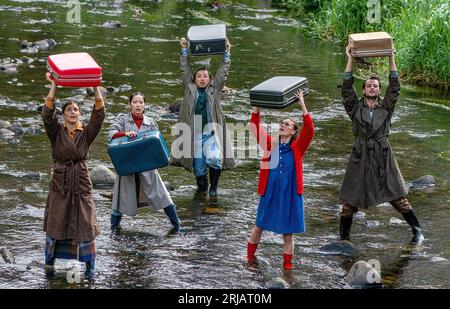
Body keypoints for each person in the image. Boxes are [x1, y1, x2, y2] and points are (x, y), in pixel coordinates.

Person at [338, 44, 424, 243]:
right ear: (364, 89)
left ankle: (417, 231)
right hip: (360, 155)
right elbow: (345, 88)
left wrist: (391, 57)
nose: (372, 87)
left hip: (382, 154)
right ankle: (343, 238)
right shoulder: (354, 108)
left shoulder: (386, 107)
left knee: (397, 197)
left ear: (378, 90)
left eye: (376, 85)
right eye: (369, 85)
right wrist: (350, 58)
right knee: (349, 202)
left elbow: (395, 87)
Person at [42, 72, 105, 277]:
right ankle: (49, 263)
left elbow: (99, 114)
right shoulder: (56, 132)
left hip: (81, 183)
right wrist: (54, 85)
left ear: (79, 114)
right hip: (60, 182)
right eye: (69, 109)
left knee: (85, 222)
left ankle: (90, 267)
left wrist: (95, 86)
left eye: (76, 109)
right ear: (63, 114)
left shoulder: (86, 133)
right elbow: (46, 115)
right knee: (56, 221)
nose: (72, 112)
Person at [247, 90, 314, 270]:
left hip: (291, 192)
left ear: (293, 131)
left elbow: (310, 130)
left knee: (288, 234)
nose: (282, 125)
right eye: (281, 123)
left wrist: (302, 105)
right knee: (258, 226)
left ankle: (287, 268)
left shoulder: (298, 147)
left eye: (287, 124)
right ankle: (249, 260)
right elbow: (254, 125)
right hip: (270, 191)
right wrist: (257, 107)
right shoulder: (270, 144)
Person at [169, 37, 235, 198]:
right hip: (194, 133)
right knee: (198, 168)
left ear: (210, 78)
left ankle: (214, 188)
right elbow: (184, 69)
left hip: (211, 132)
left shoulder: (215, 88)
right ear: (194, 79)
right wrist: (184, 50)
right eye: (199, 76)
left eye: (205, 76)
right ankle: (202, 191)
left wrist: (227, 53)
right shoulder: (189, 87)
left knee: (213, 160)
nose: (202, 78)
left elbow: (223, 72)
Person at [108, 92, 183, 233]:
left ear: (144, 105)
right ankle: (114, 229)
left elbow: (156, 145)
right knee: (119, 199)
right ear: (129, 104)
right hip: (127, 165)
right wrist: (124, 134)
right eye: (135, 102)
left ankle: (177, 226)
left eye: (141, 102)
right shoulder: (122, 119)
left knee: (163, 195)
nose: (138, 105)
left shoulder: (151, 122)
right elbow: (111, 133)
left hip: (147, 165)